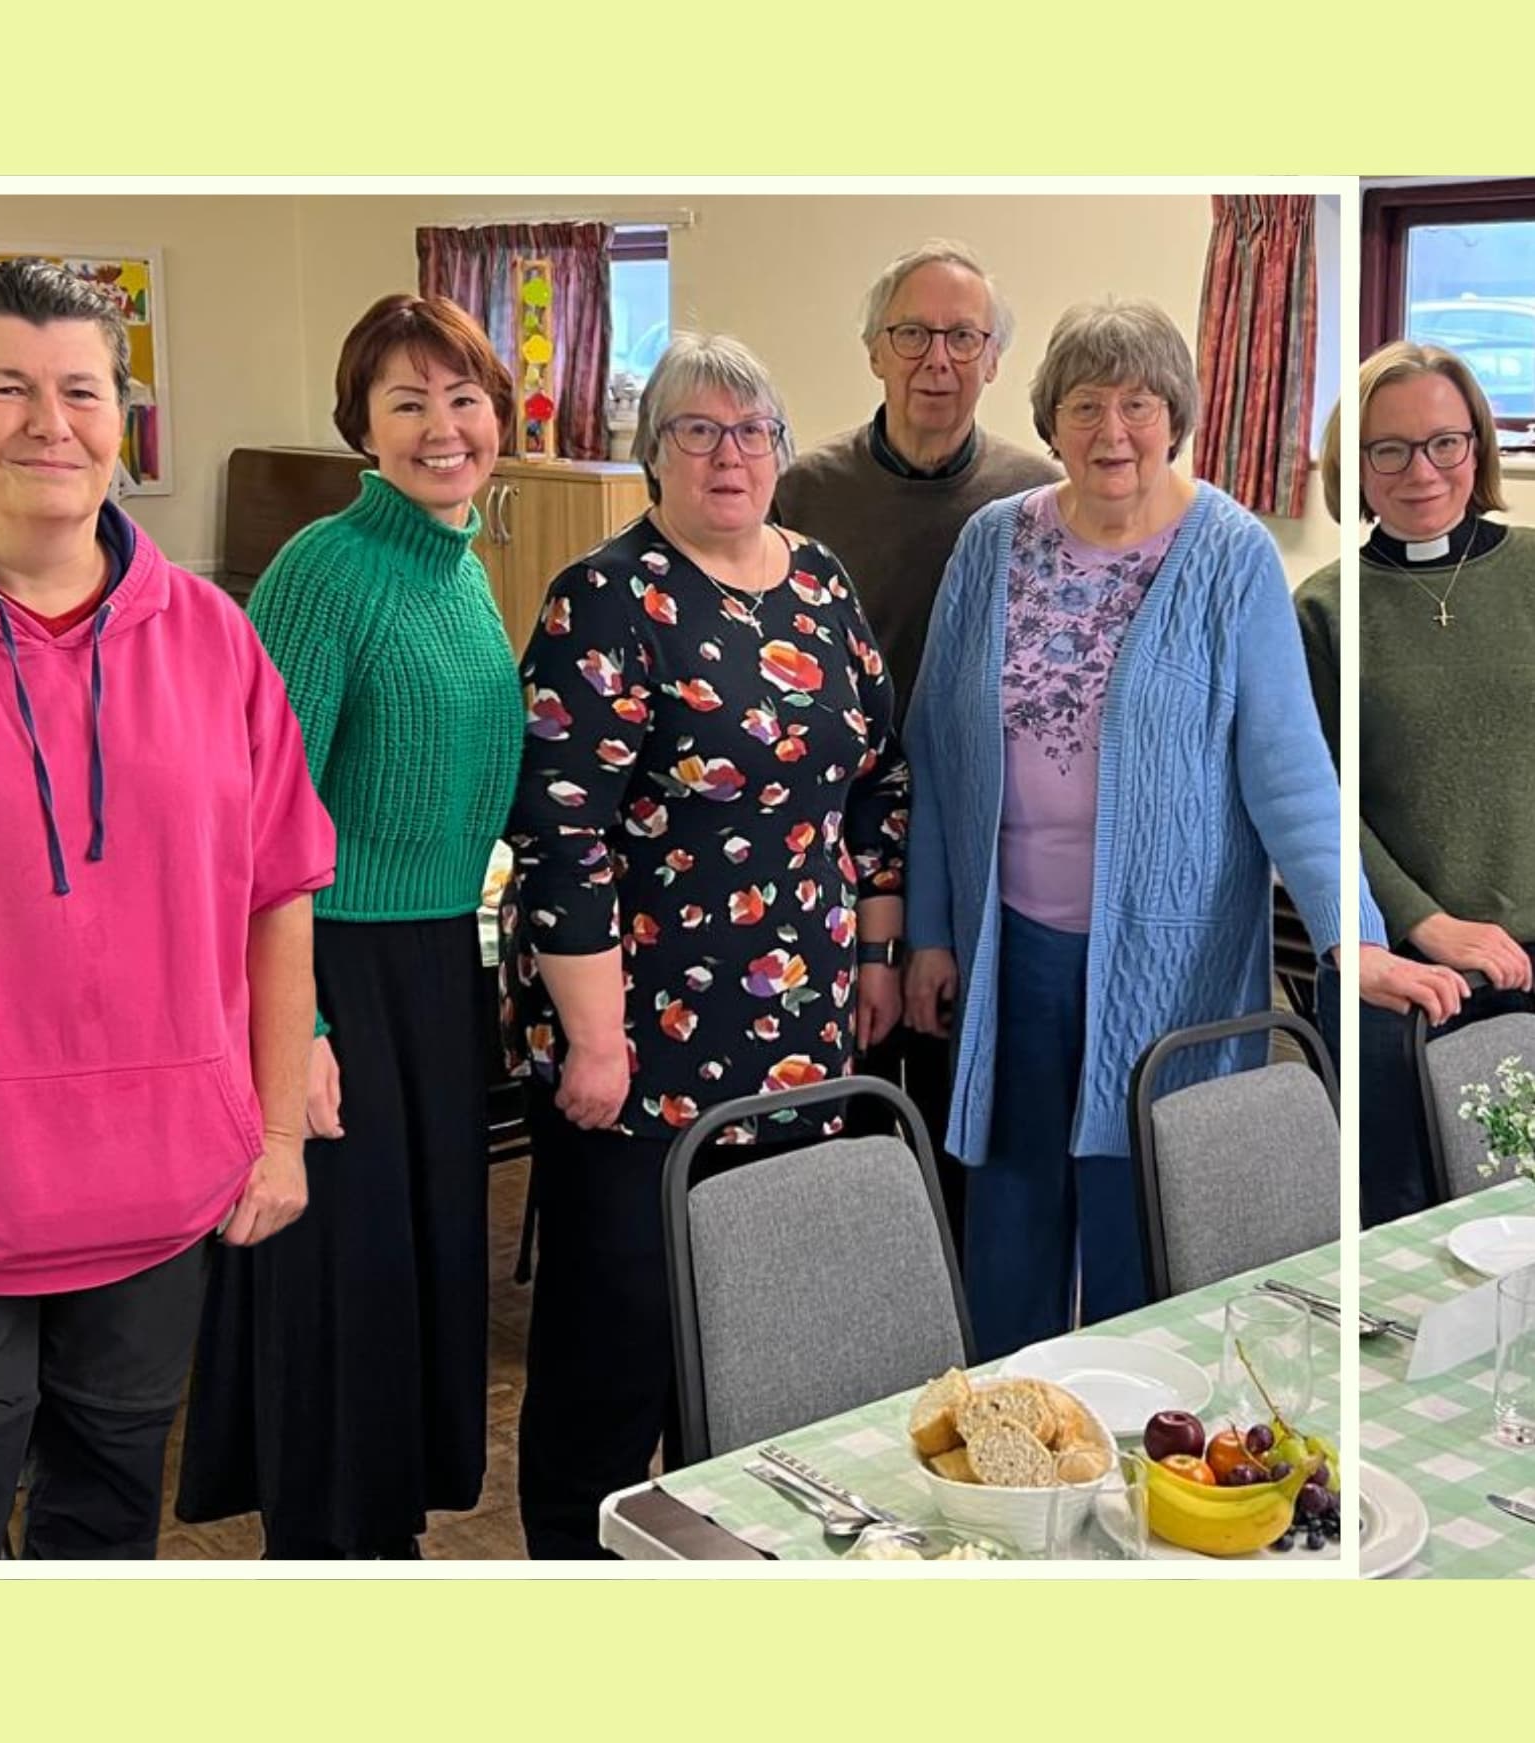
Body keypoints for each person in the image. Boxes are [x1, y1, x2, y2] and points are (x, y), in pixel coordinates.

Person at [504, 334, 909, 1558]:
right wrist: (593, 1041)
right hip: (638, 1044)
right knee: (613, 1349)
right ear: (652, 452)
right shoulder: (605, 600)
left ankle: (728, 1566)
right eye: (696, 429)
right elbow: (558, 833)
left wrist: (878, 950)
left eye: (751, 431)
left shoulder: (823, 581)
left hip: (800, 1029)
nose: (727, 454)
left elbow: (877, 777)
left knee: (757, 1334)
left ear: (781, 450)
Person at [0, 258, 335, 1560]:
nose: (45, 422)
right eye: (6, 387)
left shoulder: (207, 635)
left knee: (105, 1504)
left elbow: (273, 879)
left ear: (119, 420)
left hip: (141, 1166)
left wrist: (277, 1105)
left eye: (80, 390)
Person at [904, 298, 1344, 1360]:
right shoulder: (992, 544)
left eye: (1138, 404)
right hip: (1012, 947)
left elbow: (1290, 769)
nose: (1113, 432)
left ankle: (1143, 1469)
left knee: (1143, 1224)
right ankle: (1010, 1464)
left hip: (1171, 959)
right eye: (1086, 404)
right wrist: (926, 932)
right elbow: (933, 752)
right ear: (1050, 420)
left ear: (1176, 414)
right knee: (1007, 1222)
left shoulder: (1230, 554)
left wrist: (1351, 934)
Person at [177, 294, 524, 1560]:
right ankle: (328, 1559)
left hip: (437, 968)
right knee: (339, 1301)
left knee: (413, 1287)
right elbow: (244, 820)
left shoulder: (460, 566)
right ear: (361, 430)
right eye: (408, 403)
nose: (444, 428)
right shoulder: (326, 572)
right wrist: (299, 1025)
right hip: (335, 975)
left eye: (464, 399)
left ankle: (381, 1548)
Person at [775, 240, 1058, 1250]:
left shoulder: (1037, 498)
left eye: (963, 337)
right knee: (834, 1124)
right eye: (912, 334)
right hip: (823, 848)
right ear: (873, 351)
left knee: (959, 1123)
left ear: (992, 359)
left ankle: (957, 1347)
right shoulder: (803, 490)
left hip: (977, 853)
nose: (936, 358)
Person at [1297, 342, 1530, 1225]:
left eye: (1444, 441)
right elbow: (1318, 803)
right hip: (1400, 975)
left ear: (1478, 447)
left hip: (1531, 959)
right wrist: (1428, 924)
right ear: (1350, 467)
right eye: (1386, 448)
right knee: (1403, 1232)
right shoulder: (1321, 608)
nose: (1419, 470)